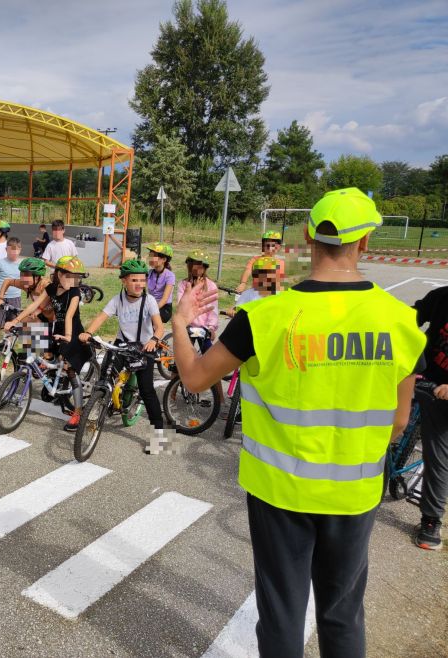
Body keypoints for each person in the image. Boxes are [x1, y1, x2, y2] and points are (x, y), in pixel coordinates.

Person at [171, 188, 425, 657]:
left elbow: (192, 375)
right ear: (366, 241)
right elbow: (400, 420)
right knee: (342, 612)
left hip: (279, 492)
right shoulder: (401, 321)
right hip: (355, 491)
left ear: (308, 236)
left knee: (283, 612)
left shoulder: (263, 317)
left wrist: (178, 322)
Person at [80, 258, 166, 438]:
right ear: (124, 281)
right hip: (122, 344)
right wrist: (88, 332)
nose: (139, 284)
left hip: (144, 346)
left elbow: (159, 326)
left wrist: (154, 339)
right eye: (134, 280)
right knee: (104, 377)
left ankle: (159, 436)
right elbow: (101, 317)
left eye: (142, 280)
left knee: (147, 390)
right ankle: (99, 408)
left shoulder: (149, 300)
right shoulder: (117, 299)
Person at [5, 255, 88, 431]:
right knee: (41, 353)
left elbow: (70, 315)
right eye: (69, 275)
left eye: (76, 277)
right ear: (58, 274)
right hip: (57, 328)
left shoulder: (74, 292)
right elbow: (33, 307)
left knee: (70, 370)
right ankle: (51, 383)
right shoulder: (51, 288)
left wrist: (67, 335)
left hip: (72, 331)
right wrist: (16, 321)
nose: (74, 280)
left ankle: (78, 413)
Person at [412, 284, 448, 550]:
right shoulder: (441, 297)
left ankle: (431, 520)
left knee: (436, 452)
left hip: (444, 393)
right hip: (427, 377)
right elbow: (412, 316)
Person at [176, 249, 218, 352]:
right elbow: (181, 305)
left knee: (208, 356)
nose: (196, 269)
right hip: (188, 325)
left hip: (204, 327)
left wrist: (211, 327)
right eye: (193, 266)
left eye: (200, 267)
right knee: (185, 354)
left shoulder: (211, 285)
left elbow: (213, 309)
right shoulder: (183, 284)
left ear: (204, 268)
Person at [0, 256, 54, 325]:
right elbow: (7, 281)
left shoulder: (45, 284)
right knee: (18, 327)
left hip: (55, 320)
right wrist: (0, 298)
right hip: (43, 316)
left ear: (37, 276)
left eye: (26, 275)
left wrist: (15, 321)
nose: (23, 278)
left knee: (23, 326)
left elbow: (37, 304)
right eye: (21, 274)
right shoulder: (25, 284)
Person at [0, 236, 23, 343]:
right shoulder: (0, 263)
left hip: (15, 298)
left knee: (11, 324)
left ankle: (7, 347)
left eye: (17, 249)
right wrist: (2, 289)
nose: (15, 252)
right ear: (6, 250)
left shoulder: (21, 265)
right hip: (0, 298)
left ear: (20, 250)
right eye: (12, 249)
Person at [144, 242, 175, 324]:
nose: (151, 258)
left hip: (164, 308)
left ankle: (155, 334)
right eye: (150, 255)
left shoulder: (169, 275)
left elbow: (164, 299)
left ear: (164, 260)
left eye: (154, 256)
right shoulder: (149, 273)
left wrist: (152, 310)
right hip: (151, 304)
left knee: (148, 318)